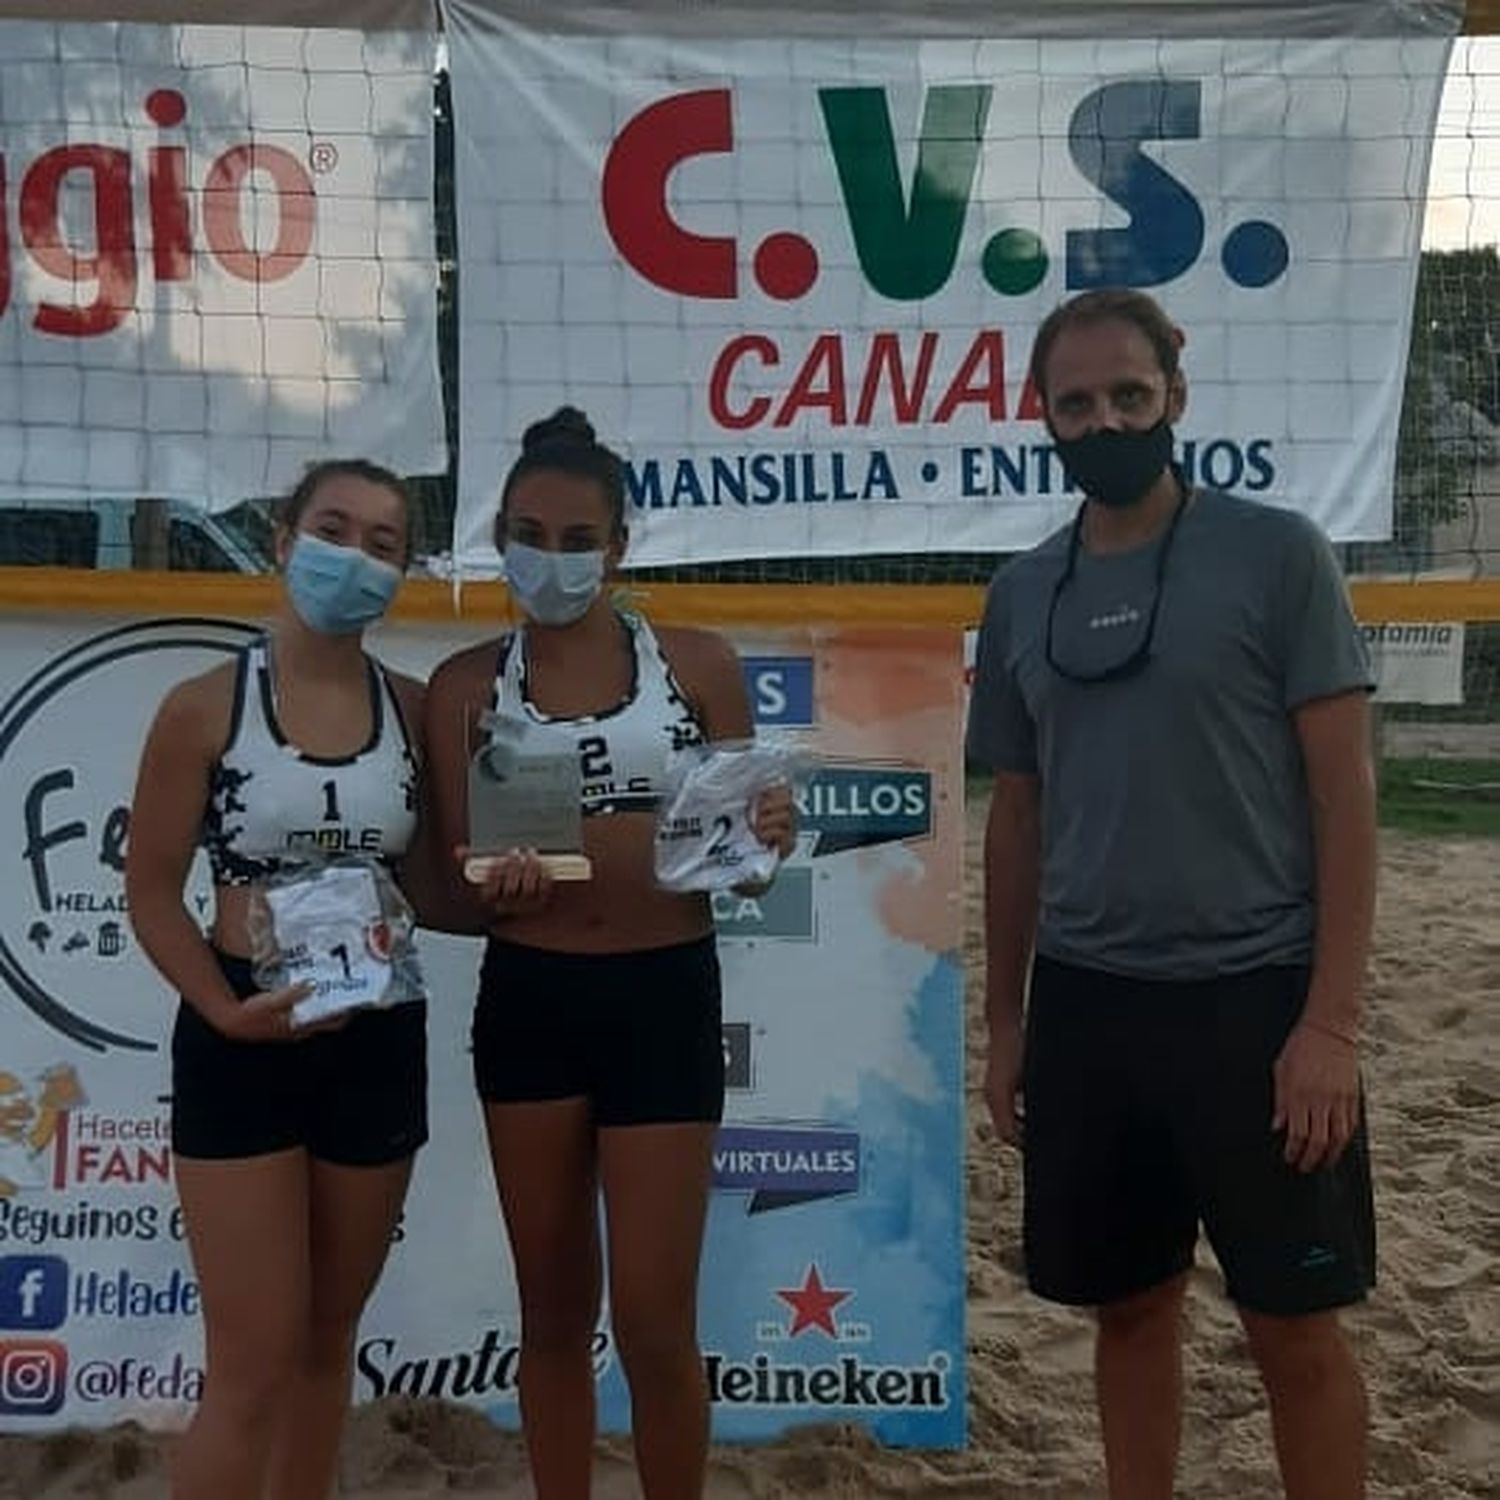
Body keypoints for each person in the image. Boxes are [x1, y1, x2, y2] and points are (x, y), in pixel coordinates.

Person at [967, 289, 1378, 1500]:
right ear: (1040, 416)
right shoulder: (1022, 592)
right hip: (1092, 1007)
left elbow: (1345, 800)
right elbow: (1018, 817)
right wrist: (1006, 1019)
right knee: (1129, 1313)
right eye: (1077, 404)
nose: (1106, 422)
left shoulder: (1275, 552)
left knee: (1294, 1330)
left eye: (1128, 396)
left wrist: (1331, 1025)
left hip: (1257, 1000)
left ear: (1176, 398)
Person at [423, 407, 795, 1500]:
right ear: (499, 535)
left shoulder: (699, 665)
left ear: (619, 547)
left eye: (576, 537)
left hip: (665, 995)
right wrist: (501, 889)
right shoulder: (462, 688)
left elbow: (752, 867)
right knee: (551, 1308)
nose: (551, 558)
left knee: (653, 1318)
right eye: (528, 532)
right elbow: (453, 888)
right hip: (532, 999)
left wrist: (772, 842)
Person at [126, 460, 430, 1500]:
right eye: (335, 528)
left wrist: (517, 880)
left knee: (322, 1344)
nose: (356, 556)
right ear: (286, 537)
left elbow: (455, 886)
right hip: (240, 1029)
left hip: (376, 1035)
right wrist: (221, 1012)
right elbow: (153, 892)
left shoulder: (419, 713)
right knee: (250, 1366)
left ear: (405, 571)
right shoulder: (205, 706)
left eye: (383, 544)